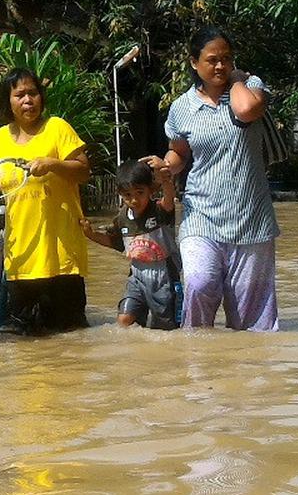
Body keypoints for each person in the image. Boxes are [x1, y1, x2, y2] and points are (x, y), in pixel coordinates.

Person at [143, 27, 279, 331]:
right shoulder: (182, 108)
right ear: (194, 63)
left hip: (251, 218)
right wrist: (166, 168)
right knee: (199, 282)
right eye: (212, 60)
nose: (220, 66)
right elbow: (179, 153)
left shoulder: (251, 86)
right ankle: (200, 365)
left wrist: (236, 79)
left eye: (227, 59)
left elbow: (246, 110)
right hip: (201, 215)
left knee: (252, 319)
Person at [0, 67, 91, 334]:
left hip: (61, 256)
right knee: (25, 347)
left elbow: (84, 171)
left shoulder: (57, 128)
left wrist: (53, 164)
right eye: (19, 95)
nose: (28, 100)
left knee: (69, 341)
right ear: (8, 101)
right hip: (20, 256)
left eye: (33, 93)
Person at [81, 159, 180, 330]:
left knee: (165, 329)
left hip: (163, 277)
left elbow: (169, 199)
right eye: (128, 195)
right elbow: (114, 242)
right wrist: (90, 234)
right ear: (120, 194)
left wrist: (165, 180)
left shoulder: (159, 211)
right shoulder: (122, 218)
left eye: (140, 192)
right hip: (136, 275)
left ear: (151, 190)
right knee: (125, 321)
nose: (134, 200)